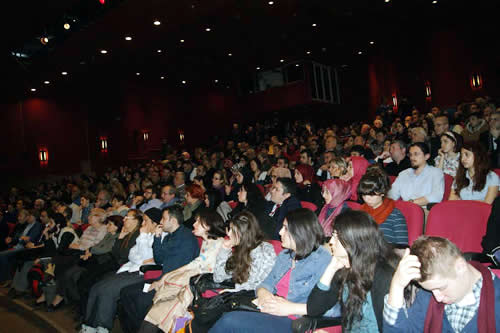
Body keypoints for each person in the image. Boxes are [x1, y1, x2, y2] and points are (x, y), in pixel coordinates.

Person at [210, 208, 335, 332]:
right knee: (224, 312)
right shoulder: (285, 255)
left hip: (294, 320)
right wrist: (263, 294)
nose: (280, 232)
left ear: (300, 231)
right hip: (270, 311)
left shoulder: (322, 260)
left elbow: (333, 308)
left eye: (285, 228)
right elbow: (266, 283)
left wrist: (291, 308)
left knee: (229, 321)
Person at [307, 210, 400, 332]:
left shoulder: (385, 276)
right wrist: (331, 268)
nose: (330, 242)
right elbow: (314, 309)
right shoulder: (346, 268)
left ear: (353, 242)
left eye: (336, 237)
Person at [383, 236, 500, 332]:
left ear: (460, 267)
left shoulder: (496, 301)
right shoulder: (427, 294)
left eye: (441, 288)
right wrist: (397, 286)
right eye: (431, 290)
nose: (437, 298)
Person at [80, 208, 161, 333]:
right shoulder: (143, 235)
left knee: (108, 290)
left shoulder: (156, 237)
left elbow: (145, 259)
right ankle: (90, 324)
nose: (143, 224)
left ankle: (103, 327)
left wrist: (143, 238)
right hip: (130, 268)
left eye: (145, 221)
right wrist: (139, 249)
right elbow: (131, 255)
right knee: (98, 287)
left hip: (142, 273)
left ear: (154, 223)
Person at [358, 168, 408, 245]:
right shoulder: (359, 213)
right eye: (364, 194)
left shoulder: (395, 215)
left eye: (372, 195)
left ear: (382, 193)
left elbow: (402, 247)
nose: (367, 199)